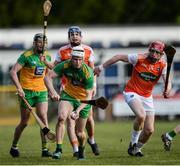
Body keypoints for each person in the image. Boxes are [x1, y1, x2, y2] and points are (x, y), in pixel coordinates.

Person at [94, 41, 172, 157]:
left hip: (147, 97)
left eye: (157, 52)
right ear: (149, 50)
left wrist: (168, 90)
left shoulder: (163, 65)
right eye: (152, 51)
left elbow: (168, 81)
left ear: (161, 54)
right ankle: (133, 142)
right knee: (141, 115)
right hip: (132, 92)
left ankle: (136, 149)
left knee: (149, 130)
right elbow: (118, 57)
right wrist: (101, 67)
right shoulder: (139, 58)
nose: (154, 54)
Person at [41, 26, 99, 156]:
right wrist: (45, 62)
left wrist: (94, 85)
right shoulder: (63, 52)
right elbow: (54, 69)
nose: (74, 36)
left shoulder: (88, 51)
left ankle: (91, 140)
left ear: (81, 36)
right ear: (69, 36)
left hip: (85, 93)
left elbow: (92, 70)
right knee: (63, 118)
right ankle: (64, 150)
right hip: (67, 91)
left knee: (87, 120)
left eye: (77, 34)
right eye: (72, 34)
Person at [9, 33, 52, 157]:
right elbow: (13, 72)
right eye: (39, 42)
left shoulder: (47, 56)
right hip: (26, 92)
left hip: (41, 91)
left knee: (43, 118)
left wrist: (50, 90)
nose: (42, 45)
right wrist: (19, 88)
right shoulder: (26, 56)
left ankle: (45, 150)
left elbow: (48, 75)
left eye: (44, 42)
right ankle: (14, 146)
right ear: (34, 43)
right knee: (24, 122)